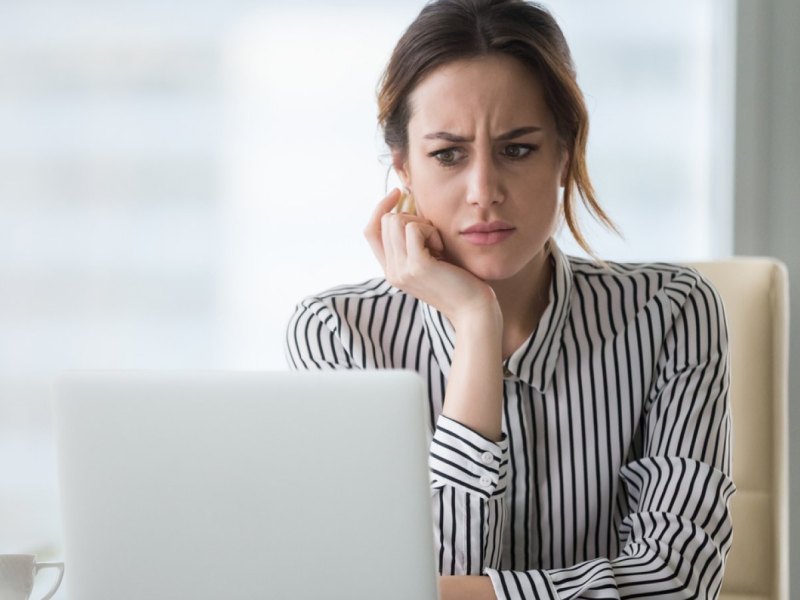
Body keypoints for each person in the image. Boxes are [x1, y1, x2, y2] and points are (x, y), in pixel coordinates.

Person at [285, 0, 734, 598]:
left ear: (564, 154)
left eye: (517, 149)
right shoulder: (336, 334)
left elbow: (675, 581)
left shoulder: (673, 312)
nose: (483, 192)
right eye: (447, 154)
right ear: (404, 169)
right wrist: (475, 326)